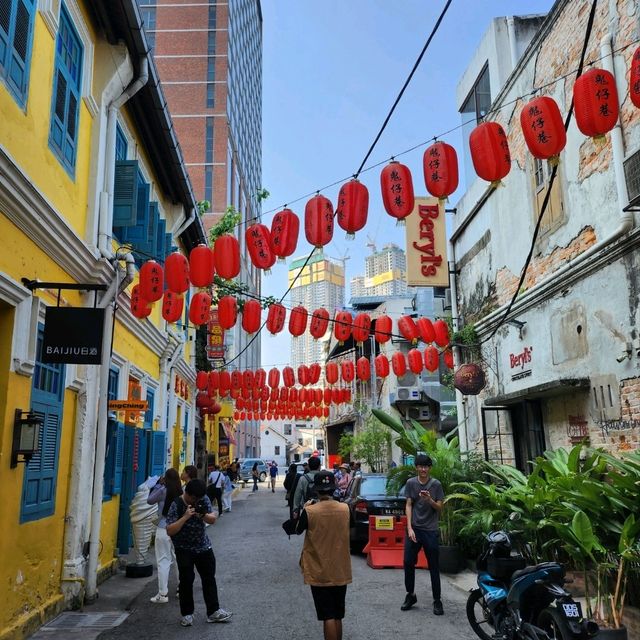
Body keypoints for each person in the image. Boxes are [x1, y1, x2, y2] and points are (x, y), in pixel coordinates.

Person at [166, 479, 233, 627]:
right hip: (183, 549)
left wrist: (202, 515)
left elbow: (212, 519)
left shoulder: (202, 498)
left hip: (203, 546)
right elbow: (170, 530)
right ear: (187, 494)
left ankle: (213, 612)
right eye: (194, 498)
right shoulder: (176, 504)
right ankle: (187, 614)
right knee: (186, 581)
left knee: (209, 578)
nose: (196, 501)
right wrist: (185, 517)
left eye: (199, 498)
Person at [293, 471, 352, 640]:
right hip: (340, 568)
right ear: (333, 489)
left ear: (317, 490)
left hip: (319, 570)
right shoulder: (345, 508)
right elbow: (350, 525)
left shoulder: (311, 511)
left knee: (327, 615)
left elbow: (296, 529)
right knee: (338, 614)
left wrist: (305, 508)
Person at [401, 454, 445, 616]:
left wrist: (430, 500)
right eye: (420, 466)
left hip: (430, 530)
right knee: (407, 562)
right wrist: (409, 528)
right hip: (414, 530)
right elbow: (408, 504)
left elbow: (440, 507)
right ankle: (410, 595)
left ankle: (437, 600)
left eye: (426, 467)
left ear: (430, 468)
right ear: (416, 468)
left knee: (433, 565)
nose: (423, 469)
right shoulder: (411, 483)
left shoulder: (436, 485)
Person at [147, 468, 182, 604]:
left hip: (163, 527)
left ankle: (163, 594)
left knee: (163, 561)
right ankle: (181, 588)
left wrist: (158, 484)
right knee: (179, 560)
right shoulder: (181, 491)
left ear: (165, 479)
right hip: (177, 528)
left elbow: (149, 500)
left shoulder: (162, 490)